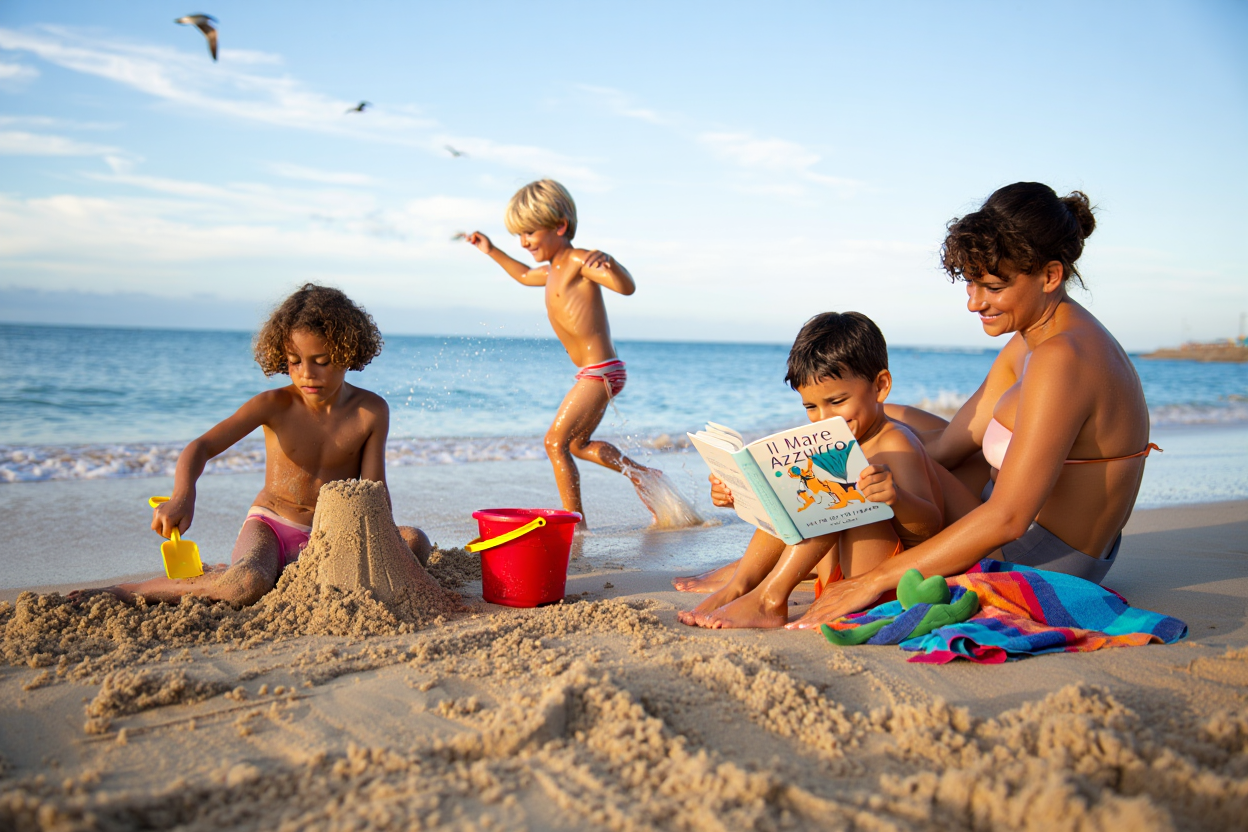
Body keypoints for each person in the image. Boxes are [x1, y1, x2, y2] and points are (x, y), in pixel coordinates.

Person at [794, 183, 1157, 630]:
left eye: (992, 286)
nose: (973, 302)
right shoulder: (1032, 336)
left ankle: (812, 565)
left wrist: (875, 580)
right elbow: (947, 445)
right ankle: (787, 537)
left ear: (1049, 276)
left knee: (878, 447)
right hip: (1009, 518)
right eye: (970, 282)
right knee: (883, 420)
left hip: (1040, 557)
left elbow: (1008, 517)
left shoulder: (1063, 358)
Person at [70, 284, 431, 606]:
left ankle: (241, 571)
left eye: (321, 361)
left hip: (333, 533)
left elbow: (373, 491)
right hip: (272, 526)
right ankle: (133, 590)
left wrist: (384, 541)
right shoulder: (274, 406)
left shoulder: (370, 411)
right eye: (294, 361)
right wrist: (183, 494)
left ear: (348, 353)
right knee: (246, 583)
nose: (307, 372)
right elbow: (201, 447)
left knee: (416, 541)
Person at [678, 312, 964, 629]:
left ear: (880, 386)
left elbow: (930, 527)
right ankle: (741, 584)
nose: (824, 418)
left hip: (880, 584)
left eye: (837, 401)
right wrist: (741, 494)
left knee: (832, 493)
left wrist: (896, 498)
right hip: (835, 582)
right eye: (811, 407)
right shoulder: (831, 441)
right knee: (793, 489)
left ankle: (770, 598)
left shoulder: (897, 443)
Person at [463, 179, 660, 527]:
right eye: (518, 236)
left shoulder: (580, 261)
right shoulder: (552, 270)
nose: (523, 242)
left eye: (529, 233)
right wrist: (490, 250)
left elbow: (626, 288)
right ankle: (643, 474)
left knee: (554, 442)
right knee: (578, 445)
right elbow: (523, 275)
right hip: (596, 372)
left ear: (560, 226)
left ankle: (576, 524)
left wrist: (611, 263)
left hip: (600, 371)